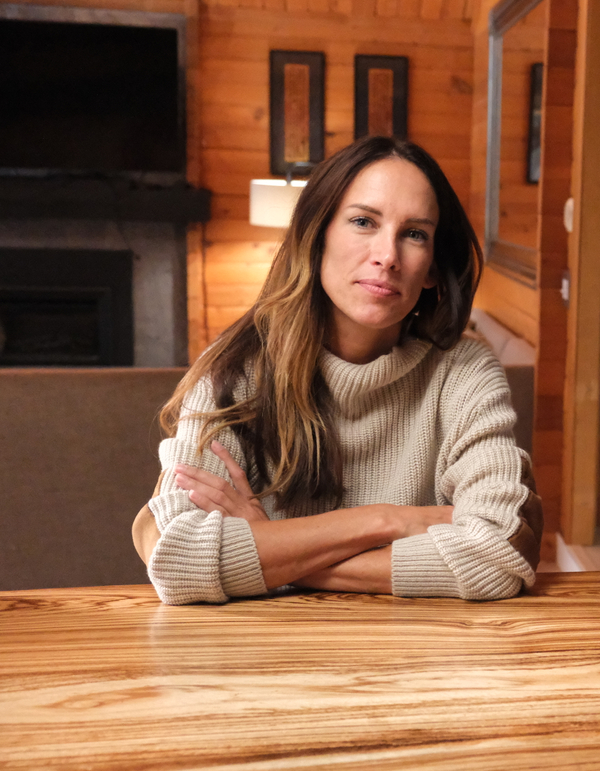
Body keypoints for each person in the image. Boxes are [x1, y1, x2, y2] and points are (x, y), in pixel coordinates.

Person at [132, 136, 541, 606]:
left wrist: (274, 549)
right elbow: (176, 559)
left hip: (417, 646)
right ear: (317, 235)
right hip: (262, 647)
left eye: (414, 234)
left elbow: (499, 554)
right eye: (363, 222)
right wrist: (389, 521)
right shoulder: (235, 369)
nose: (388, 256)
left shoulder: (464, 372)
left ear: (431, 267)